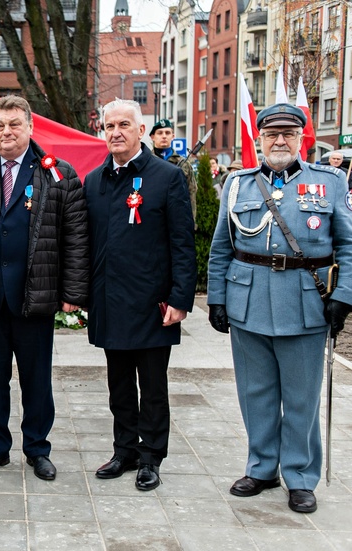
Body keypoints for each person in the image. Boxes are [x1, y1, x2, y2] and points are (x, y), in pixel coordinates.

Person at [207, 103, 352, 514]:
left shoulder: (330, 182)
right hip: (248, 302)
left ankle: (300, 477)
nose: (280, 141)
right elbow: (222, 248)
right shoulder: (238, 184)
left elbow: (349, 244)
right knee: (256, 394)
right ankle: (261, 467)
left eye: (288, 133)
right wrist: (217, 298)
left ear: (302, 138)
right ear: (260, 140)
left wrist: (344, 297)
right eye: (272, 134)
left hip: (306, 304)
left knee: (302, 398)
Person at [0, 95, 89, 481]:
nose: (7, 132)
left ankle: (37, 449)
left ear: (31, 127)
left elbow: (76, 237)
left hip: (37, 297)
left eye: (14, 124)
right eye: (0, 125)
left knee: (36, 379)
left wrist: (72, 293)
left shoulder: (58, 173)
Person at [84, 99, 196, 491]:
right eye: (109, 125)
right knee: (118, 386)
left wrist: (181, 299)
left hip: (153, 303)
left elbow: (183, 243)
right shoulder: (94, 182)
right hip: (109, 301)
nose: (115, 132)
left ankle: (151, 457)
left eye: (124, 125)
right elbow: (88, 243)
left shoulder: (166, 177)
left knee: (152, 387)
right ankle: (124, 450)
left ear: (140, 131)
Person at [149, 119, 197, 226]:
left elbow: (191, 193)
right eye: (160, 133)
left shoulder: (183, 164)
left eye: (167, 133)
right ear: (152, 137)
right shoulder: (146, 162)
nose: (164, 136)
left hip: (177, 219)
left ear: (173, 136)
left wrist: (191, 222)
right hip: (151, 221)